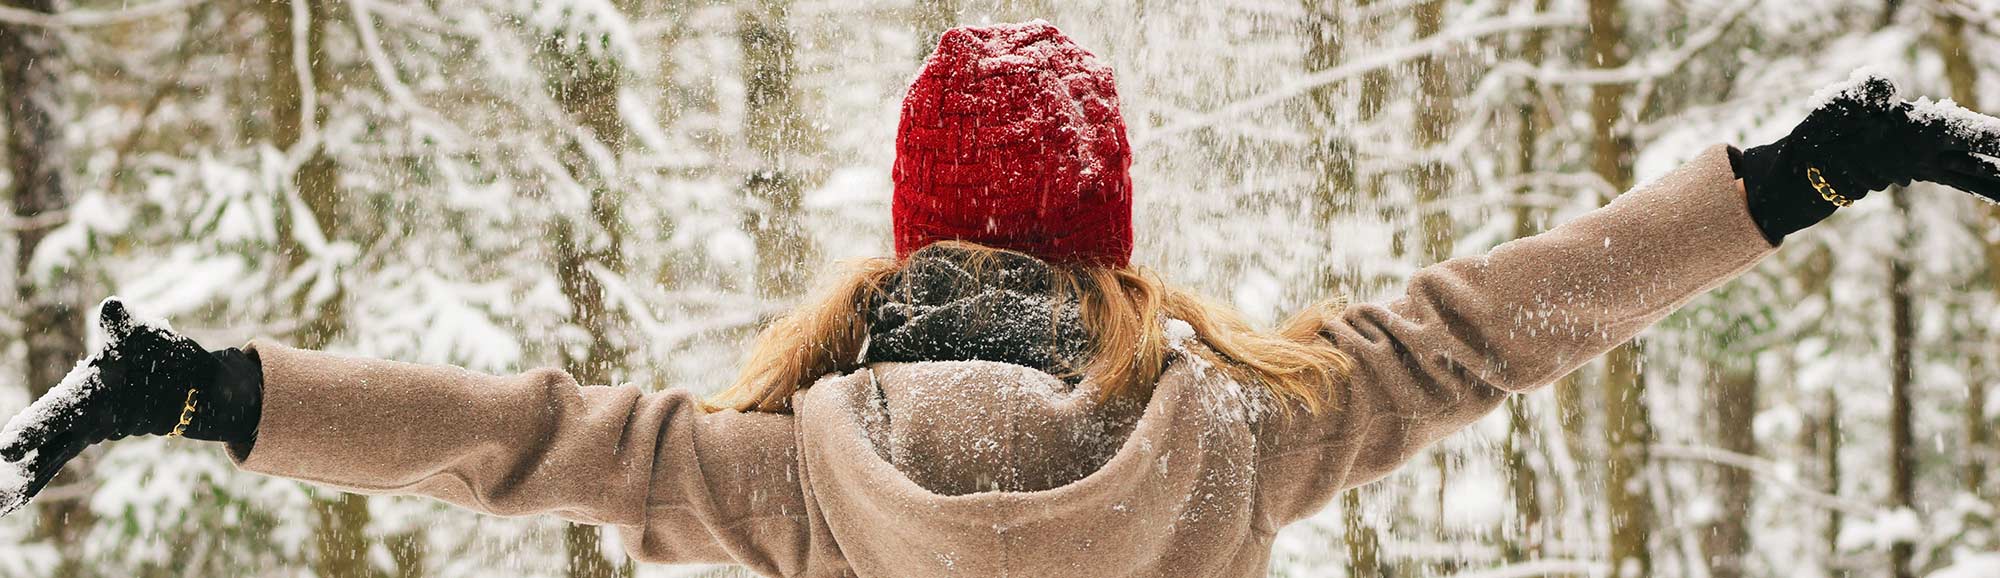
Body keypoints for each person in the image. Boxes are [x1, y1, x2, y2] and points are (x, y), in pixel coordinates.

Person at [3, 21, 1998, 578]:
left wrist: (211, 386)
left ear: (901, 244)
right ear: (1103, 241)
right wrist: (1797, 174)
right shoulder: (1236, 442)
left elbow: (516, 444)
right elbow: (1488, 323)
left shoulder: (792, 482)